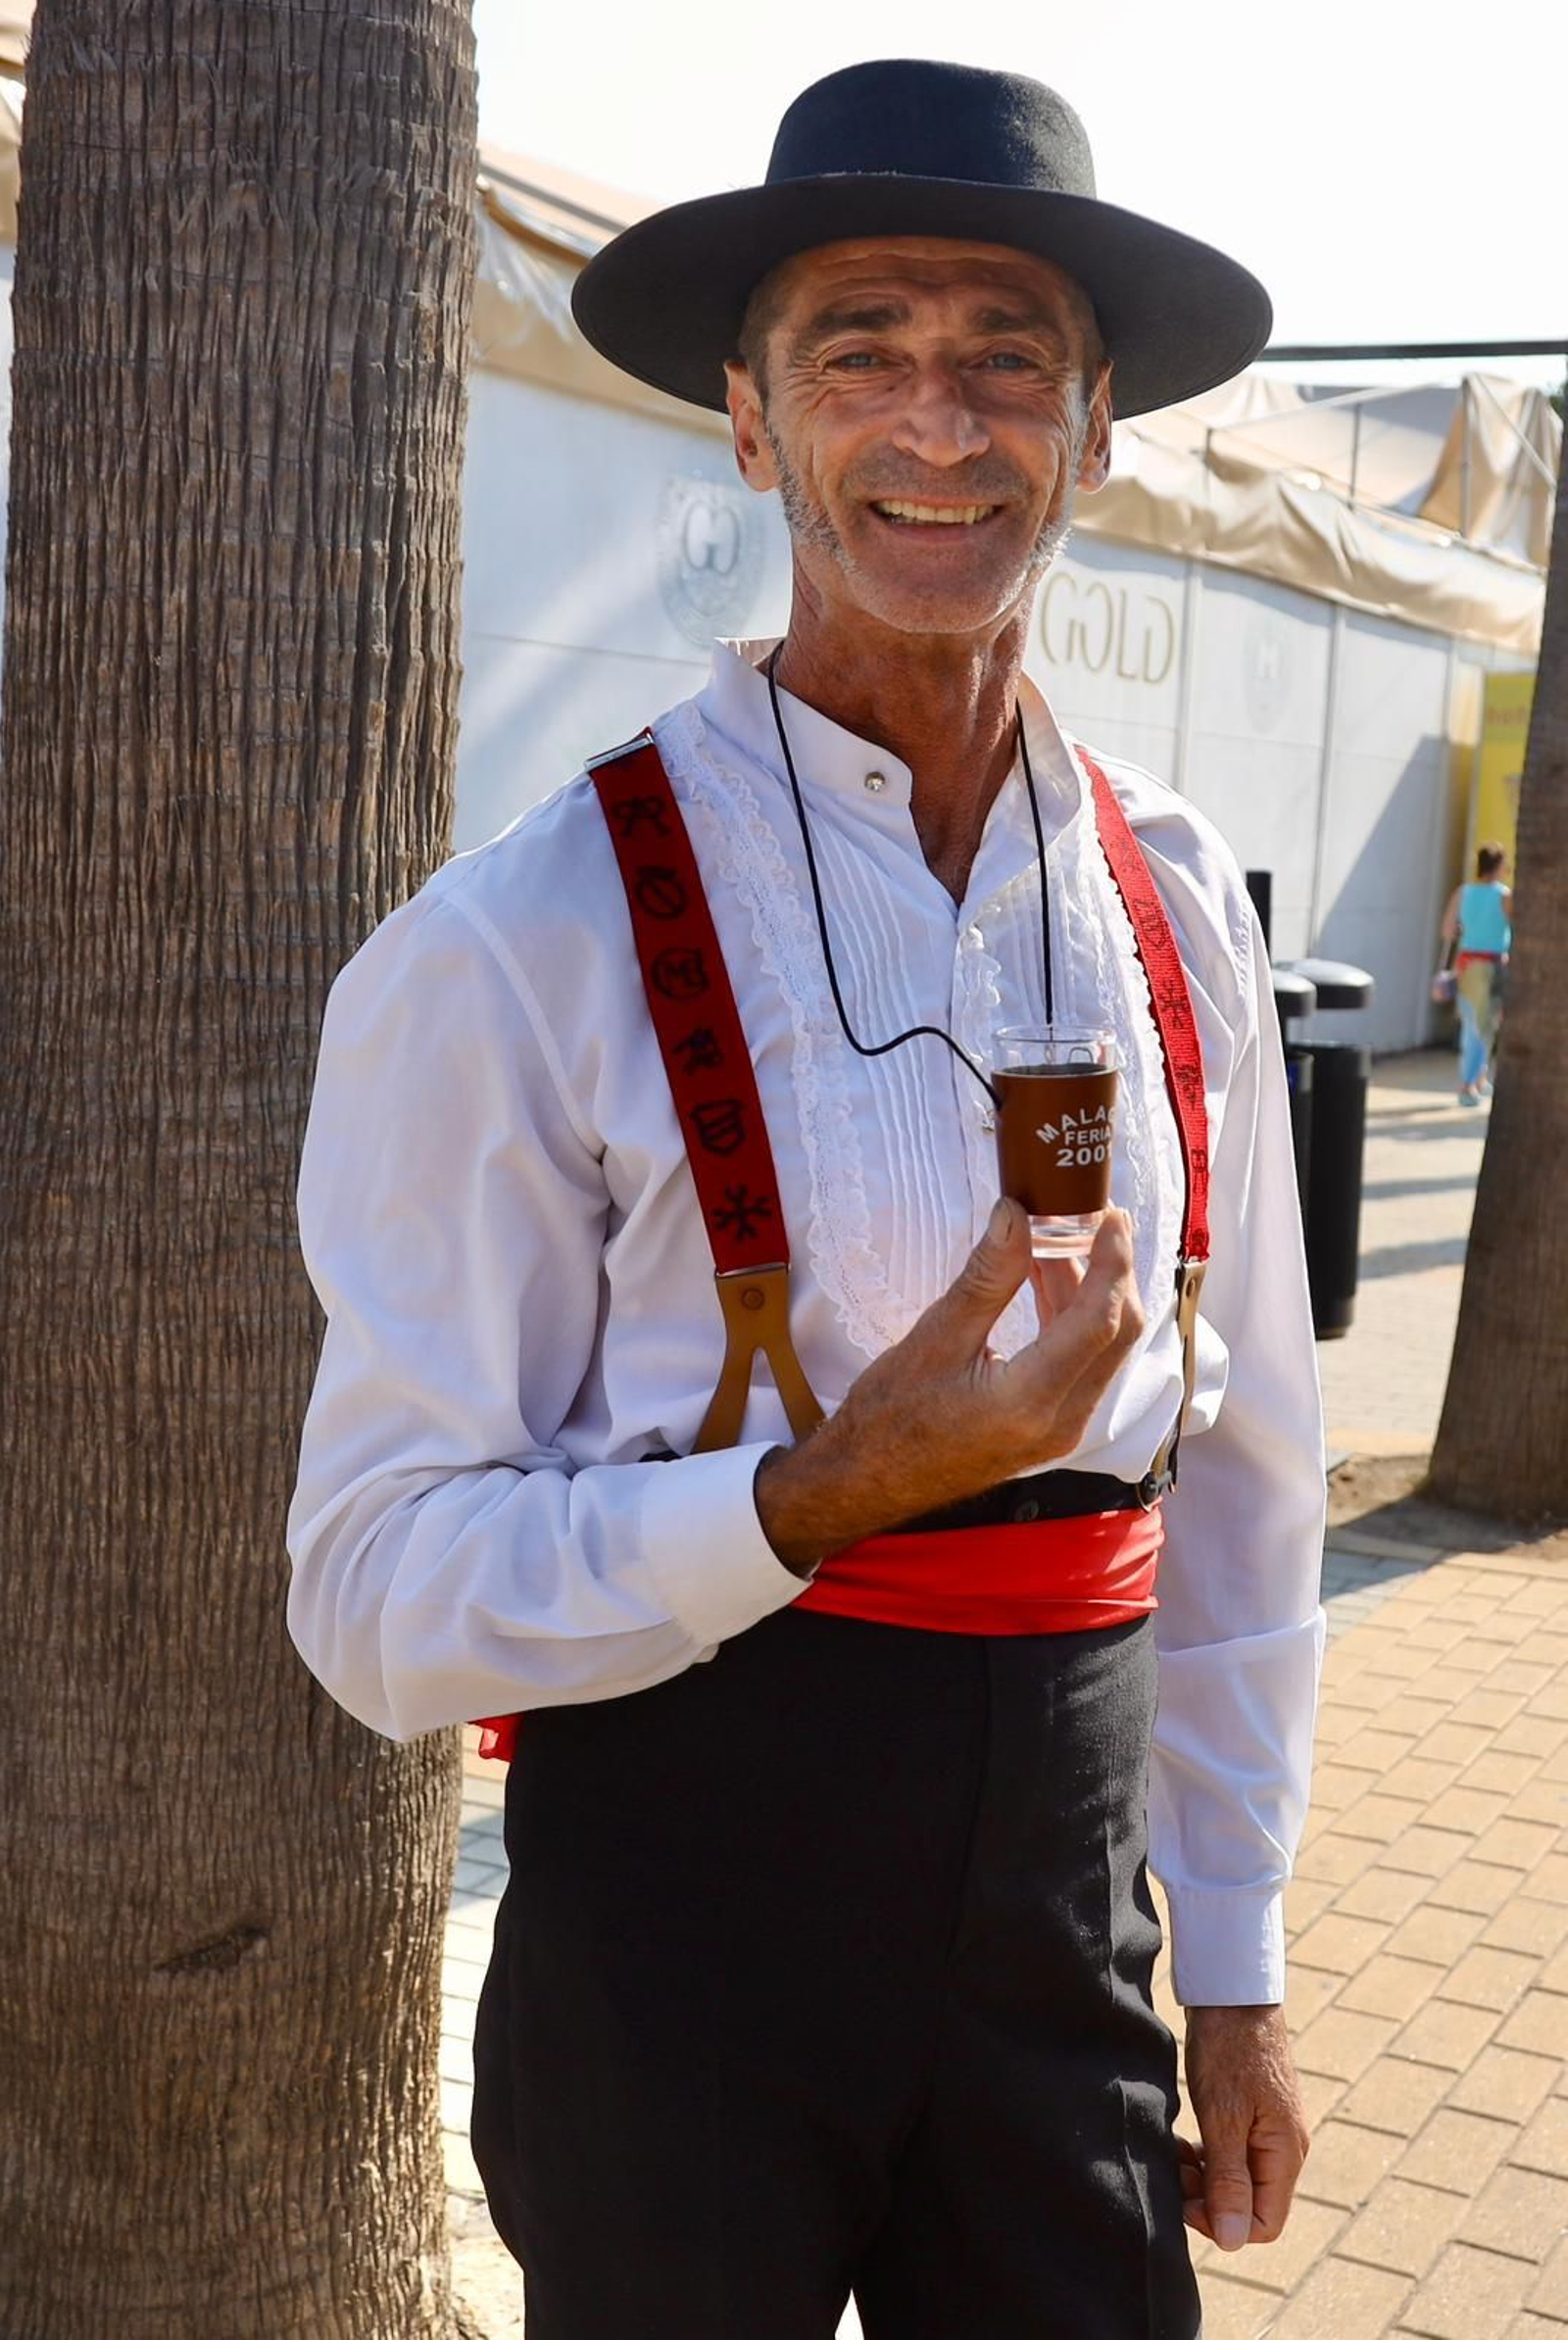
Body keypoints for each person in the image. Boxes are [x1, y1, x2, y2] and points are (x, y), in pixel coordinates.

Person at [287, 59, 1326, 2340]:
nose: (933, 428)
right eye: (858, 350)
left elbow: (1242, 1477)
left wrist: (1231, 1965)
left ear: (1094, 426)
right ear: (749, 428)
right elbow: (369, 1595)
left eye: (1002, 362)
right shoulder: (521, 934)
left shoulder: (1167, 893)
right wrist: (825, 1485)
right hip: (685, 1901)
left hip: (1066, 1896)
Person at [1441, 842, 1513, 1105]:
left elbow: (1448, 931)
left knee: (1472, 1023)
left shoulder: (1464, 892)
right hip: (1492, 965)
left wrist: (1468, 928)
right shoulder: (1504, 896)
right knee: (1485, 1026)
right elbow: (1514, 928)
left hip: (1465, 963)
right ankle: (1468, 1084)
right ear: (1500, 867)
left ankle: (1478, 1078)